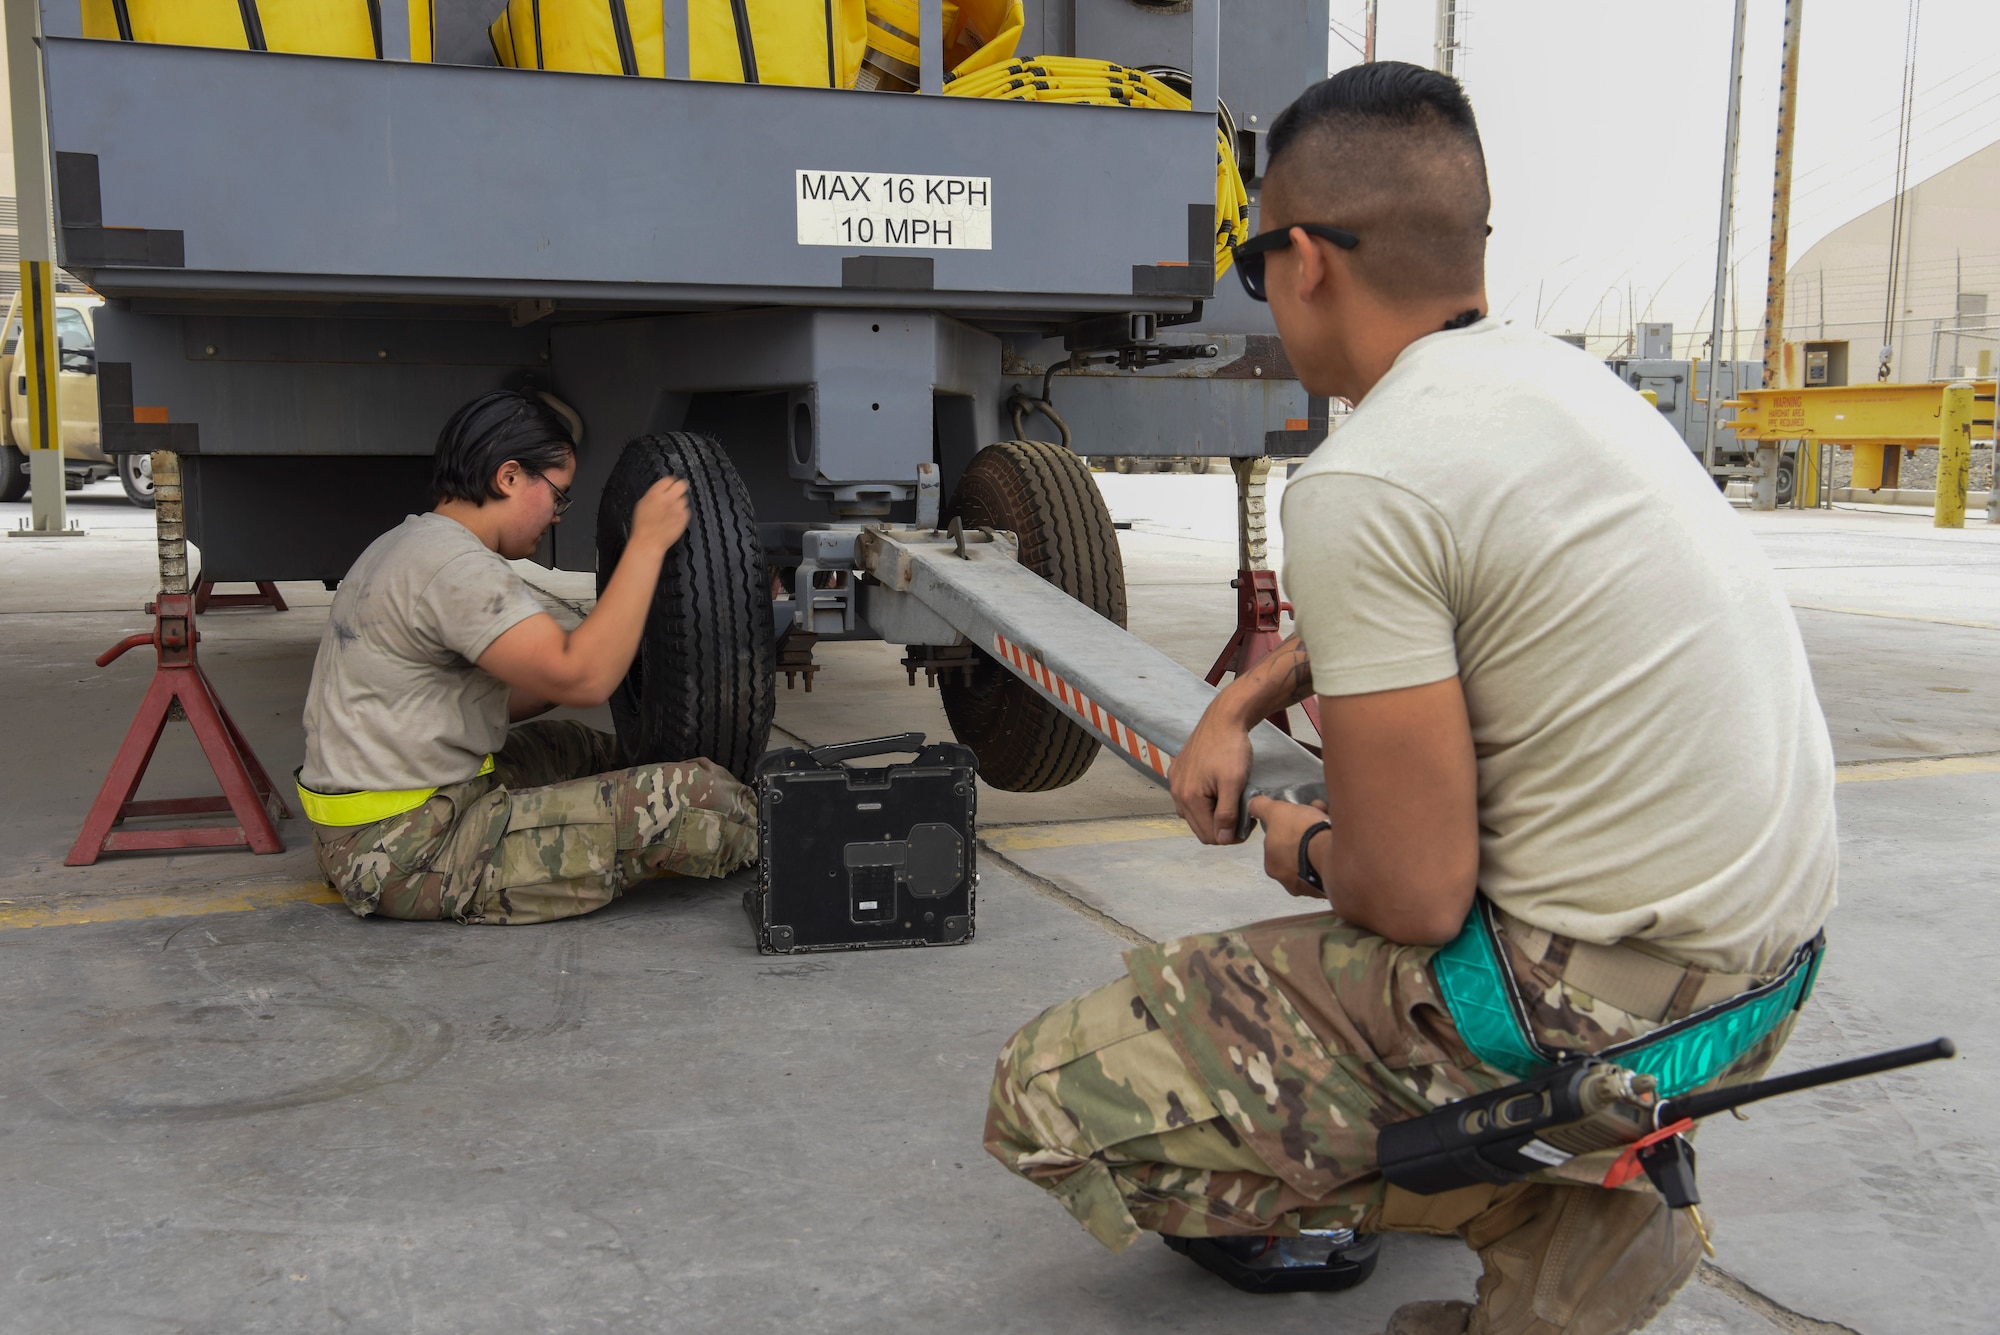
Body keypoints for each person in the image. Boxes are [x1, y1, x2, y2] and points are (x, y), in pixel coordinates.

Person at [982, 62, 1837, 1335]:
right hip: (1758, 991)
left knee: (1046, 1096)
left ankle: (1556, 1207)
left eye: (1253, 261)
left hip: (1584, 1021)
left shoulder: (1367, 477)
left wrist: (1306, 843)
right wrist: (1243, 699)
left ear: (1307, 261)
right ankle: (1575, 1175)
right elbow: (1447, 587)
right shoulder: (1563, 394)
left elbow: (1413, 893)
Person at [297, 390, 757, 925]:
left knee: (571, 745)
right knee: (694, 800)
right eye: (559, 496)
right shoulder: (455, 569)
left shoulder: (409, 543)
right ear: (509, 476)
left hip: (385, 818)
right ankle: (789, 827)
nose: (558, 516)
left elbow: (508, 696)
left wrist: (619, 642)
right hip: (406, 853)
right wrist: (647, 544)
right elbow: (582, 678)